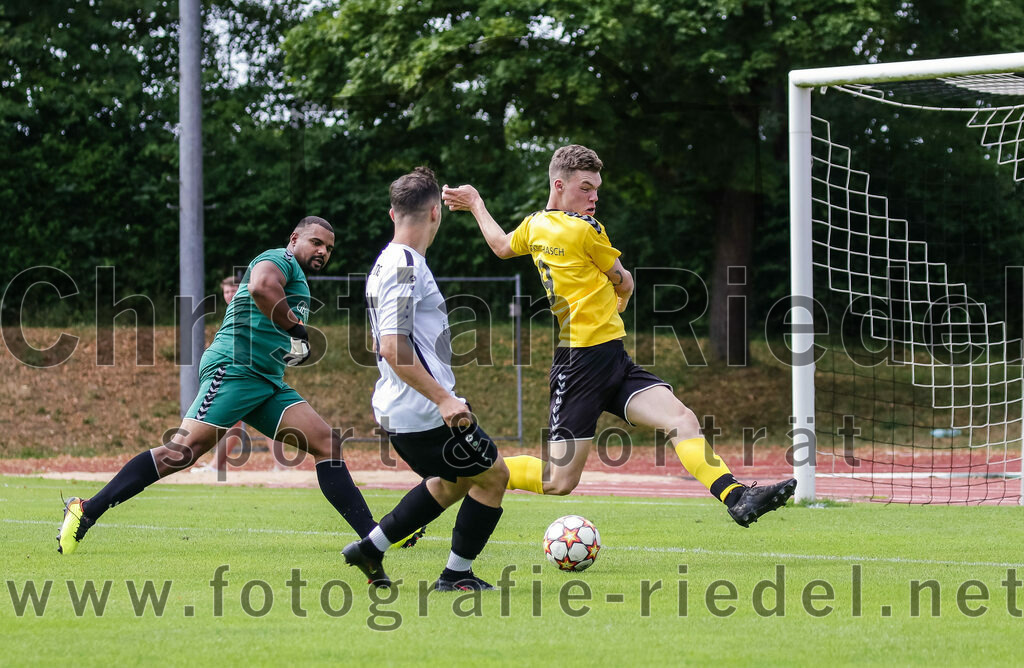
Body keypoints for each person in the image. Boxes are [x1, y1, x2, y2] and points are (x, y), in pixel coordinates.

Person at [442, 145, 796, 527]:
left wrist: (477, 202)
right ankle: (457, 477)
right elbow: (624, 280)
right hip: (579, 364)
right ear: (559, 185)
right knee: (558, 480)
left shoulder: (534, 225)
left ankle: (736, 496)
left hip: (610, 358)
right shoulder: (584, 230)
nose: (594, 197)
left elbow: (500, 245)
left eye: (596, 189)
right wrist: (623, 293)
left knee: (680, 418)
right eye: (586, 188)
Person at [57, 217, 379, 554]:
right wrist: (298, 331)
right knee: (180, 452)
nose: (323, 251)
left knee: (327, 444)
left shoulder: (297, 278)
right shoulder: (279, 259)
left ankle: (374, 535)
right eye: (316, 242)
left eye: (328, 248)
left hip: (266, 380)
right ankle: (86, 510)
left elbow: (269, 309)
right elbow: (260, 287)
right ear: (294, 238)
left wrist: (290, 342)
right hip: (234, 369)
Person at [342, 167, 509, 590]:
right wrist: (443, 399)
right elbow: (393, 348)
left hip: (407, 407)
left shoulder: (389, 262)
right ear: (436, 212)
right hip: (422, 409)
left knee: (451, 483)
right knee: (493, 477)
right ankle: (456, 574)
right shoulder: (403, 266)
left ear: (391, 213)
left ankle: (370, 548)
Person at [191, 275, 290, 475]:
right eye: (226, 292)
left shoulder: (249, 306)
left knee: (262, 420)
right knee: (238, 422)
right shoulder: (235, 309)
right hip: (242, 371)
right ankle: (218, 465)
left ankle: (280, 465)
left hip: (251, 371)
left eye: (232, 291)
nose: (229, 295)